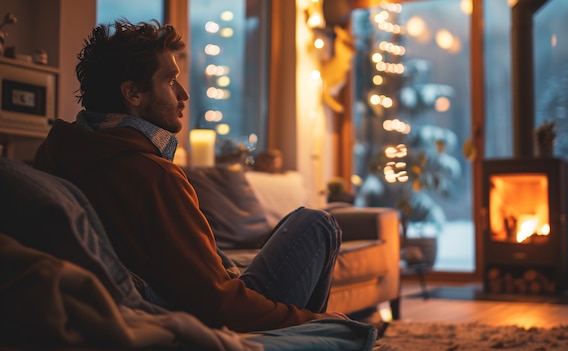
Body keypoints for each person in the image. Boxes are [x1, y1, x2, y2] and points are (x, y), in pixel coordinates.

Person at [33, 20, 347, 333]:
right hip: (210, 324)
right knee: (316, 224)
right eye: (170, 82)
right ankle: (311, 338)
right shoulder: (153, 176)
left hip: (131, 312)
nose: (183, 94)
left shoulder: (54, 158)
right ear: (132, 93)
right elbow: (216, 303)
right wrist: (313, 321)